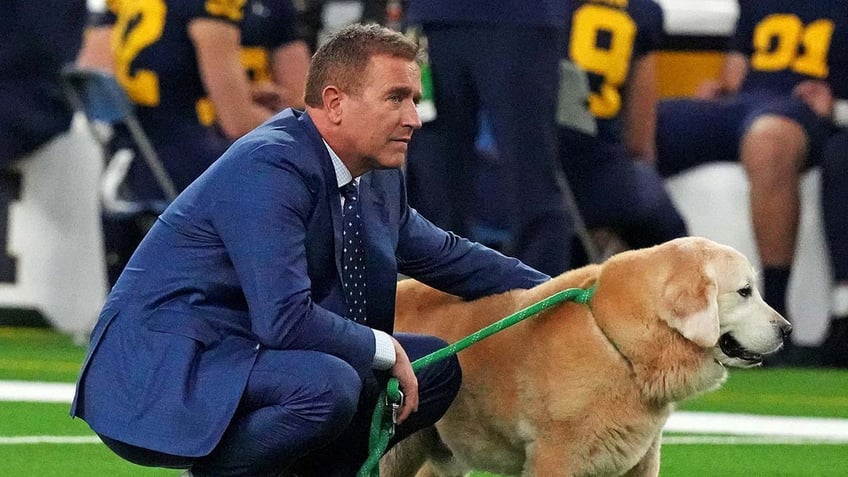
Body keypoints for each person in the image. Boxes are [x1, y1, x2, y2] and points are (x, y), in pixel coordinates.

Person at [70, 23, 550, 476]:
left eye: (415, 100)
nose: (413, 119)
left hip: (243, 353)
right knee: (330, 384)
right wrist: (384, 347)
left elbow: (452, 257)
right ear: (335, 103)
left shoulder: (376, 177)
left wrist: (577, 287)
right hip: (159, 372)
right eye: (396, 98)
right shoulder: (271, 164)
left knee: (435, 366)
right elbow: (284, 319)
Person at [654, 0, 848, 358]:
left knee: (768, 142)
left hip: (796, 110)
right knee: (647, 127)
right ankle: (639, 301)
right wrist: (720, 90)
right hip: (742, 104)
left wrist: (836, 105)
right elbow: (735, 70)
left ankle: (772, 310)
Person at [77, 0, 311, 285]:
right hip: (191, 169)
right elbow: (237, 123)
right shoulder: (212, 7)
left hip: (129, 162)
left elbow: (92, 77)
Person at [402, 0, 575, 276]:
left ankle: (541, 303)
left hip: (519, 18)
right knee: (433, 179)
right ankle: (437, 300)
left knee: (530, 177)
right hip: (434, 20)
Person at [557, 0, 687, 261]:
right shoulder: (638, 11)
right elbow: (639, 141)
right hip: (600, 180)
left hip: (505, 184)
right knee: (677, 247)